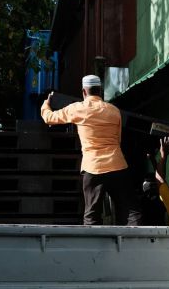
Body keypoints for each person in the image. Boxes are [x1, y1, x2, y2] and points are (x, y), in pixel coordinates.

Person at [41, 75, 142, 225]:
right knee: (132, 212)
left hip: (92, 168)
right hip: (117, 164)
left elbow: (49, 118)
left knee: (92, 216)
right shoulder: (114, 111)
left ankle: (94, 246)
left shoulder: (77, 109)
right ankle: (134, 244)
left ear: (84, 92)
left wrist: (46, 104)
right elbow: (118, 140)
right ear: (100, 91)